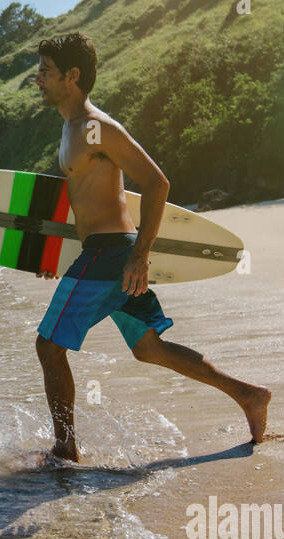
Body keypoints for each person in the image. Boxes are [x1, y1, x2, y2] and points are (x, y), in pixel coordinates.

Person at [33, 32, 270, 463]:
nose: (38, 80)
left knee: (49, 346)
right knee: (149, 349)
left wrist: (141, 255)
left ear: (72, 75)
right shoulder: (69, 130)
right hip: (103, 254)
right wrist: (56, 256)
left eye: (46, 72)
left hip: (112, 256)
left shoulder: (98, 127)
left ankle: (66, 450)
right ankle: (249, 395)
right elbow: (87, 206)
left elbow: (157, 182)